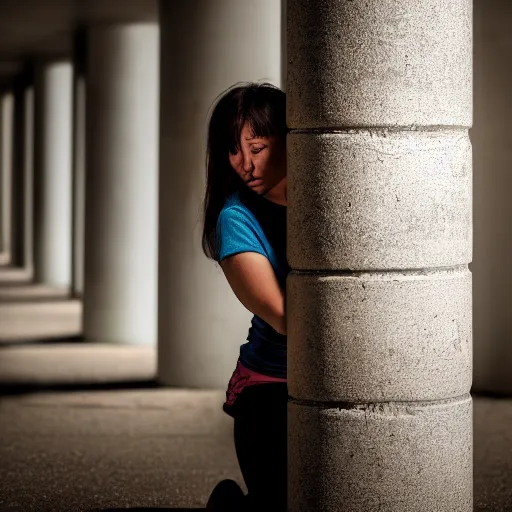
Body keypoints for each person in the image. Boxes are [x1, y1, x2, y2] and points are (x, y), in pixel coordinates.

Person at [202, 82, 289, 511]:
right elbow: (286, 317)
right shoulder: (235, 218)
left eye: (257, 147)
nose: (245, 165)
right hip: (270, 384)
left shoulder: (325, 199)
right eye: (234, 151)